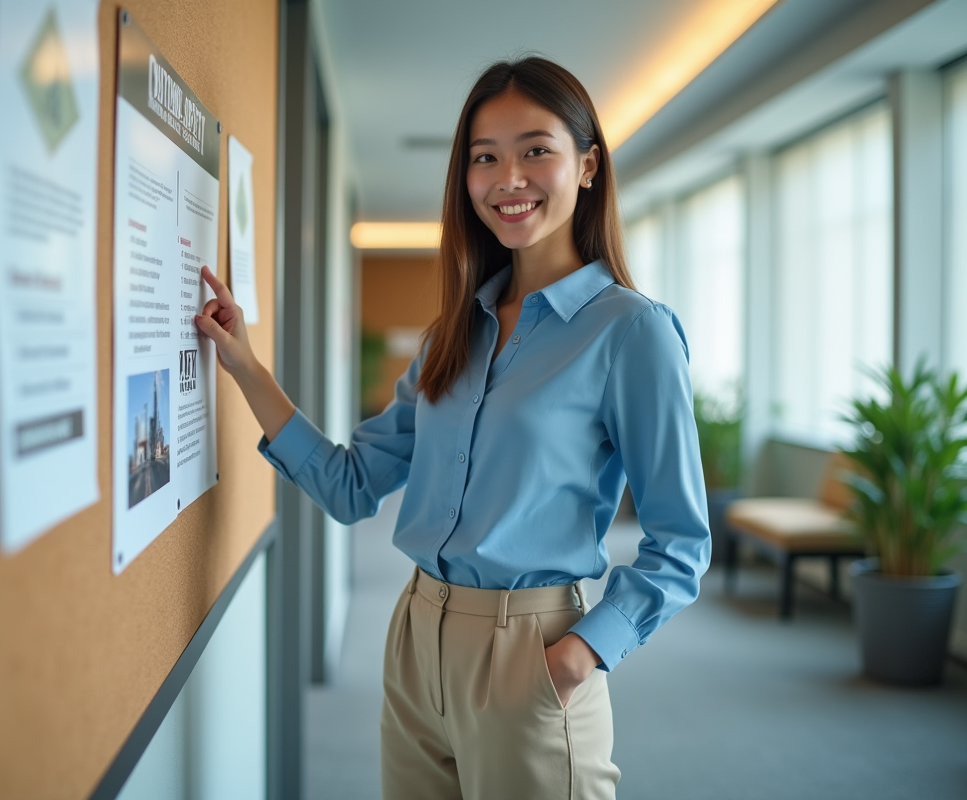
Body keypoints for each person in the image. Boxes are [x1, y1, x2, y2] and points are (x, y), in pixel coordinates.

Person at [195, 56, 710, 800]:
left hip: (531, 653)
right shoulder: (451, 334)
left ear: (589, 165)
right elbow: (350, 487)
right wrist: (244, 365)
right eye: (484, 157)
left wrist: (580, 654)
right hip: (414, 639)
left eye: (536, 149)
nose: (508, 178)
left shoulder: (631, 332)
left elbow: (681, 542)